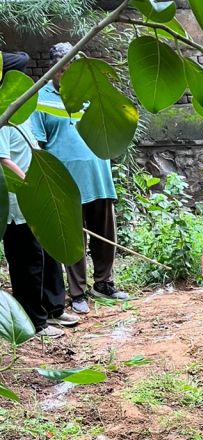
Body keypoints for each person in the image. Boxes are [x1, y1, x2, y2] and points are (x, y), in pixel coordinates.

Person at [30, 42, 129, 314]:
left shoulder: (90, 95)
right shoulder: (40, 99)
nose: (68, 73)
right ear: (53, 69)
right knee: (74, 238)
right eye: (63, 69)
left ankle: (104, 283)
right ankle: (77, 292)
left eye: (72, 68)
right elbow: (38, 145)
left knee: (105, 234)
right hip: (66, 182)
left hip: (98, 176)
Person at [0, 53, 78, 338]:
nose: (28, 81)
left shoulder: (21, 113)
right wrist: (33, 186)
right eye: (20, 76)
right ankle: (35, 321)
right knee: (28, 264)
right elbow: (3, 159)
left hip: (37, 201)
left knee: (48, 257)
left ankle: (54, 309)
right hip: (19, 206)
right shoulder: (3, 118)